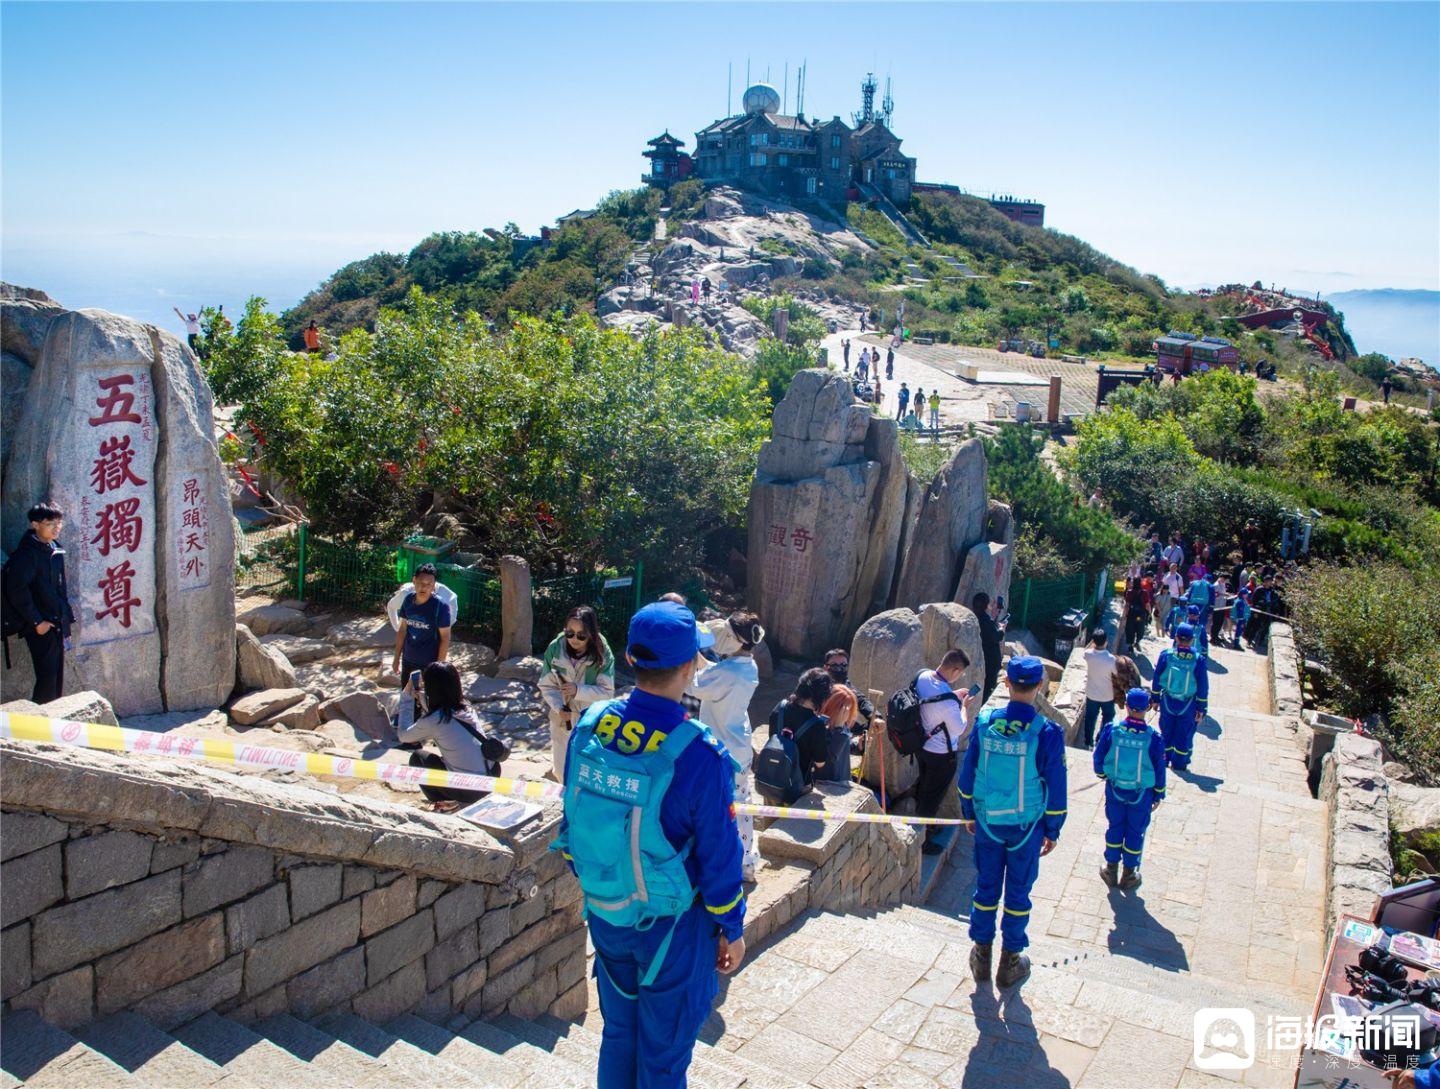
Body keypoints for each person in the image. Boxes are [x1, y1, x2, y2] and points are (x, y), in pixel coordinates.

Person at [552, 602, 746, 1089]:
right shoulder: (698, 752)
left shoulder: (593, 722)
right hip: (671, 928)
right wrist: (731, 926)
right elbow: (720, 856)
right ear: (688, 668)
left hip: (606, 908)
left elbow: (571, 808)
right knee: (662, 1056)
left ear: (632, 659)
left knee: (619, 1035)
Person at [959, 656, 1067, 989]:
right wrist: (1053, 829)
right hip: (1027, 828)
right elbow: (1057, 787)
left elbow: (966, 777)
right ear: (1039, 687)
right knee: (1018, 892)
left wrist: (968, 814)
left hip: (988, 823)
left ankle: (981, 954)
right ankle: (1009, 962)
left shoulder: (985, 722)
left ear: (1006, 684)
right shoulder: (1047, 732)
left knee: (986, 887)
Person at [688, 611, 766, 881]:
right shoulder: (747, 665)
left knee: (720, 806)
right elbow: (714, 672)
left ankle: (720, 861)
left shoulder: (729, 672)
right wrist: (700, 660)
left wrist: (682, 659)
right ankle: (746, 859)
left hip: (720, 750)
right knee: (742, 804)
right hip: (740, 746)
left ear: (735, 640)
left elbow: (695, 686)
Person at [398, 662, 506, 810]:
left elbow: (404, 736)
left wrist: (406, 697)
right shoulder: (466, 707)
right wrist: (421, 696)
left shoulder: (435, 720)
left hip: (469, 790)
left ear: (431, 688)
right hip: (491, 776)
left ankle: (446, 804)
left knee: (418, 757)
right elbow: (440, 707)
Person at [1094, 688, 1166, 891]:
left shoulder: (1112, 730)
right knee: (1135, 831)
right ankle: (1129, 874)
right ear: (1148, 707)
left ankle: (1110, 869)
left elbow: (1098, 758)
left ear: (1126, 706)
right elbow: (1159, 769)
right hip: (1141, 794)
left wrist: (1103, 776)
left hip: (1115, 789)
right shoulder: (1154, 738)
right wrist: (1158, 792)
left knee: (1115, 827)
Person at [4, 502, 74, 703]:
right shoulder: (26, 555)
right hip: (39, 625)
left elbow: (59, 587)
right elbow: (17, 591)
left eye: (59, 523)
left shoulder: (54, 548)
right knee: (47, 678)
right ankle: (41, 723)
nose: (56, 528)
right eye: (50, 523)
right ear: (35, 524)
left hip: (56, 621)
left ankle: (52, 722)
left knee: (56, 675)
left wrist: (65, 615)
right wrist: (37, 622)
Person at [539, 605, 616, 784]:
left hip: (589, 721)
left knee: (587, 772)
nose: (574, 639)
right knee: (561, 771)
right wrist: (559, 707)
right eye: (569, 633)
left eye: (581, 635)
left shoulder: (603, 652)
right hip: (561, 719)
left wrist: (578, 690)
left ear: (591, 633)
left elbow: (607, 692)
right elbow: (546, 685)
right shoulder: (555, 648)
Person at [915, 649, 977, 855]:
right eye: (960, 673)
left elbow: (937, 700)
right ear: (956, 670)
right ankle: (922, 841)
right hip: (941, 755)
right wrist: (964, 705)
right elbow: (959, 727)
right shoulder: (949, 703)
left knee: (924, 788)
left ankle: (923, 826)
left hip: (922, 746)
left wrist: (954, 696)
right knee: (932, 798)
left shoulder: (923, 676)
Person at [765, 668, 834, 796]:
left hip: (771, 780)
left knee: (771, 815)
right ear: (822, 697)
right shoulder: (817, 726)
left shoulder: (779, 707)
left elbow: (773, 738)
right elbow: (820, 763)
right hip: (796, 787)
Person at [1152, 623, 1209, 772]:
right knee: (1183, 736)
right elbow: (1203, 686)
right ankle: (1179, 765)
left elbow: (1157, 677)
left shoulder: (1167, 655)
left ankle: (1164, 761)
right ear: (1192, 640)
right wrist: (1202, 708)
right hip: (1188, 704)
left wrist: (1155, 699)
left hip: (1167, 701)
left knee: (1166, 732)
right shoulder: (1198, 660)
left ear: (1176, 638)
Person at [391, 563, 452, 683]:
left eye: (429, 584)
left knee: (425, 700)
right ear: (414, 580)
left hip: (429, 664)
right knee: (407, 699)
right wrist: (396, 657)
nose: (424, 587)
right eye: (421, 583)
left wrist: (438, 668)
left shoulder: (441, 607)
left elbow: (445, 638)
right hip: (408, 660)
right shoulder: (408, 600)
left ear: (434, 585)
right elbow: (402, 629)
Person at [822, 648, 875, 732]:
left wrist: (874, 717)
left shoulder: (847, 685)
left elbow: (861, 700)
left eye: (843, 665)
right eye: (834, 665)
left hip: (841, 731)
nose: (839, 669)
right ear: (825, 668)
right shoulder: (819, 685)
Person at [1081, 629, 1117, 749]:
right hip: (1108, 695)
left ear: (1094, 642)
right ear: (1106, 642)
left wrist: (1092, 644)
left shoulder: (1088, 655)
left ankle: (1088, 742)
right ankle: (1101, 738)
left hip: (1091, 694)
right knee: (1108, 716)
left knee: (1090, 718)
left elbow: (1085, 651)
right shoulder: (1111, 659)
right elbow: (1116, 674)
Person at [817, 684, 859, 783]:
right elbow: (832, 756)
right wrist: (838, 729)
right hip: (827, 786)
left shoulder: (843, 725)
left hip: (843, 780)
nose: (847, 715)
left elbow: (844, 748)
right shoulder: (820, 727)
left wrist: (858, 746)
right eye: (844, 710)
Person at [972, 592, 1004, 702]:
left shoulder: (973, 618)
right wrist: (1001, 630)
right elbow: (995, 637)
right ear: (986, 605)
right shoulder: (985, 620)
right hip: (990, 660)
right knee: (988, 687)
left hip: (979, 659)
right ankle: (982, 705)